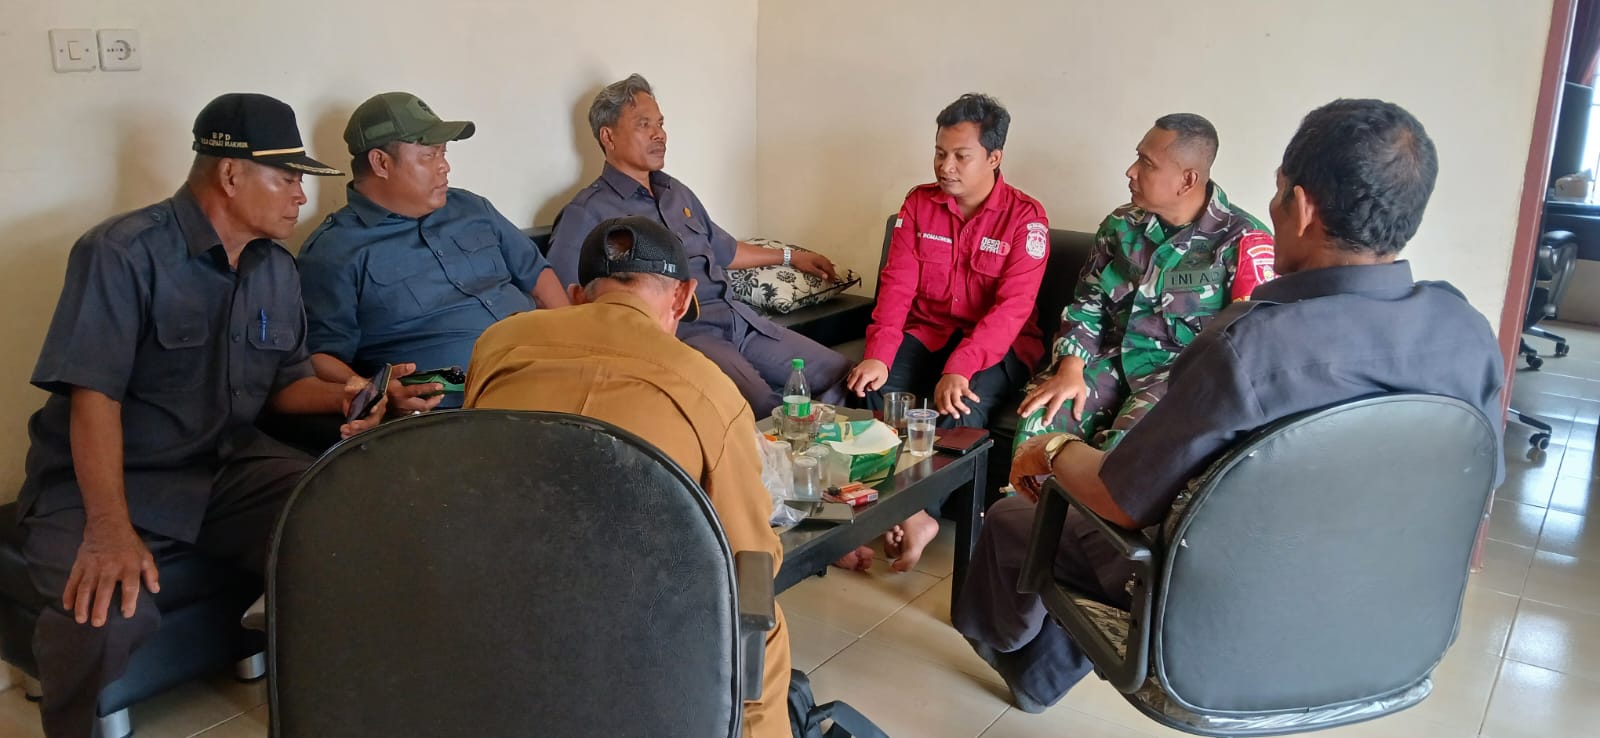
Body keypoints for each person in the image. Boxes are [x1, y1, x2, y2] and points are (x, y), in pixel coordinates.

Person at [951, 98, 1506, 713]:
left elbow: (1118, 499)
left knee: (1017, 520)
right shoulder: (1467, 335)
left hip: (1219, 625)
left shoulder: (1251, 345)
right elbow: (1470, 488)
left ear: (1300, 206)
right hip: (1389, 630)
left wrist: (1053, 450)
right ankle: (1039, 678)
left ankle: (1008, 647)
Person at [16, 93, 388, 738]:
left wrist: (348, 396)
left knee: (353, 517)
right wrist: (108, 529)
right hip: (108, 479)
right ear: (231, 174)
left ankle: (336, 709)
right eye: (287, 178)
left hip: (224, 466)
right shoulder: (121, 253)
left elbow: (286, 383)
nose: (301, 196)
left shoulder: (274, 267)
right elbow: (94, 399)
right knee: (105, 616)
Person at [464, 215, 791, 738]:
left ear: (577, 296)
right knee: (760, 610)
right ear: (682, 298)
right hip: (640, 632)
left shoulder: (497, 344)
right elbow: (748, 551)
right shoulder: (707, 386)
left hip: (492, 601)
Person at [547, 74, 850, 418]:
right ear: (608, 136)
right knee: (761, 409)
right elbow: (563, 298)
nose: (659, 134)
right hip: (689, 333)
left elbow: (726, 250)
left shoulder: (676, 193)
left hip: (739, 319)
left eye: (660, 124)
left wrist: (792, 256)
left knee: (849, 376)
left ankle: (831, 442)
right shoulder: (587, 212)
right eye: (644, 125)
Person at [841, 93, 1049, 572]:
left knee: (958, 404)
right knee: (871, 388)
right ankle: (898, 507)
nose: (945, 166)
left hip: (995, 346)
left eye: (961, 155)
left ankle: (921, 514)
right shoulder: (919, 203)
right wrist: (879, 354)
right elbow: (897, 286)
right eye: (939, 152)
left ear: (994, 158)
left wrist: (961, 367)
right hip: (930, 330)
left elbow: (1012, 309)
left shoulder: (1026, 217)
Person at [1013, 114, 1276, 453]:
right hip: (1109, 360)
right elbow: (1087, 302)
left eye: (1147, 163)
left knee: (1125, 452)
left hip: (1179, 377)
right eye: (1137, 157)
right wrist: (1070, 367)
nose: (1131, 171)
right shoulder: (1121, 225)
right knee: (1039, 421)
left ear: (1187, 180)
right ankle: (1022, 493)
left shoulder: (1243, 241)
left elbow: (1249, 344)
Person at [297, 92, 569, 410]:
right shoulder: (335, 250)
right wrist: (375, 394)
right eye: (429, 155)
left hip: (552, 370)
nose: (445, 166)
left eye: (443, 152)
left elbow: (536, 274)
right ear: (381, 163)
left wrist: (574, 339)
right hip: (467, 407)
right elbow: (320, 356)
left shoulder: (471, 207)